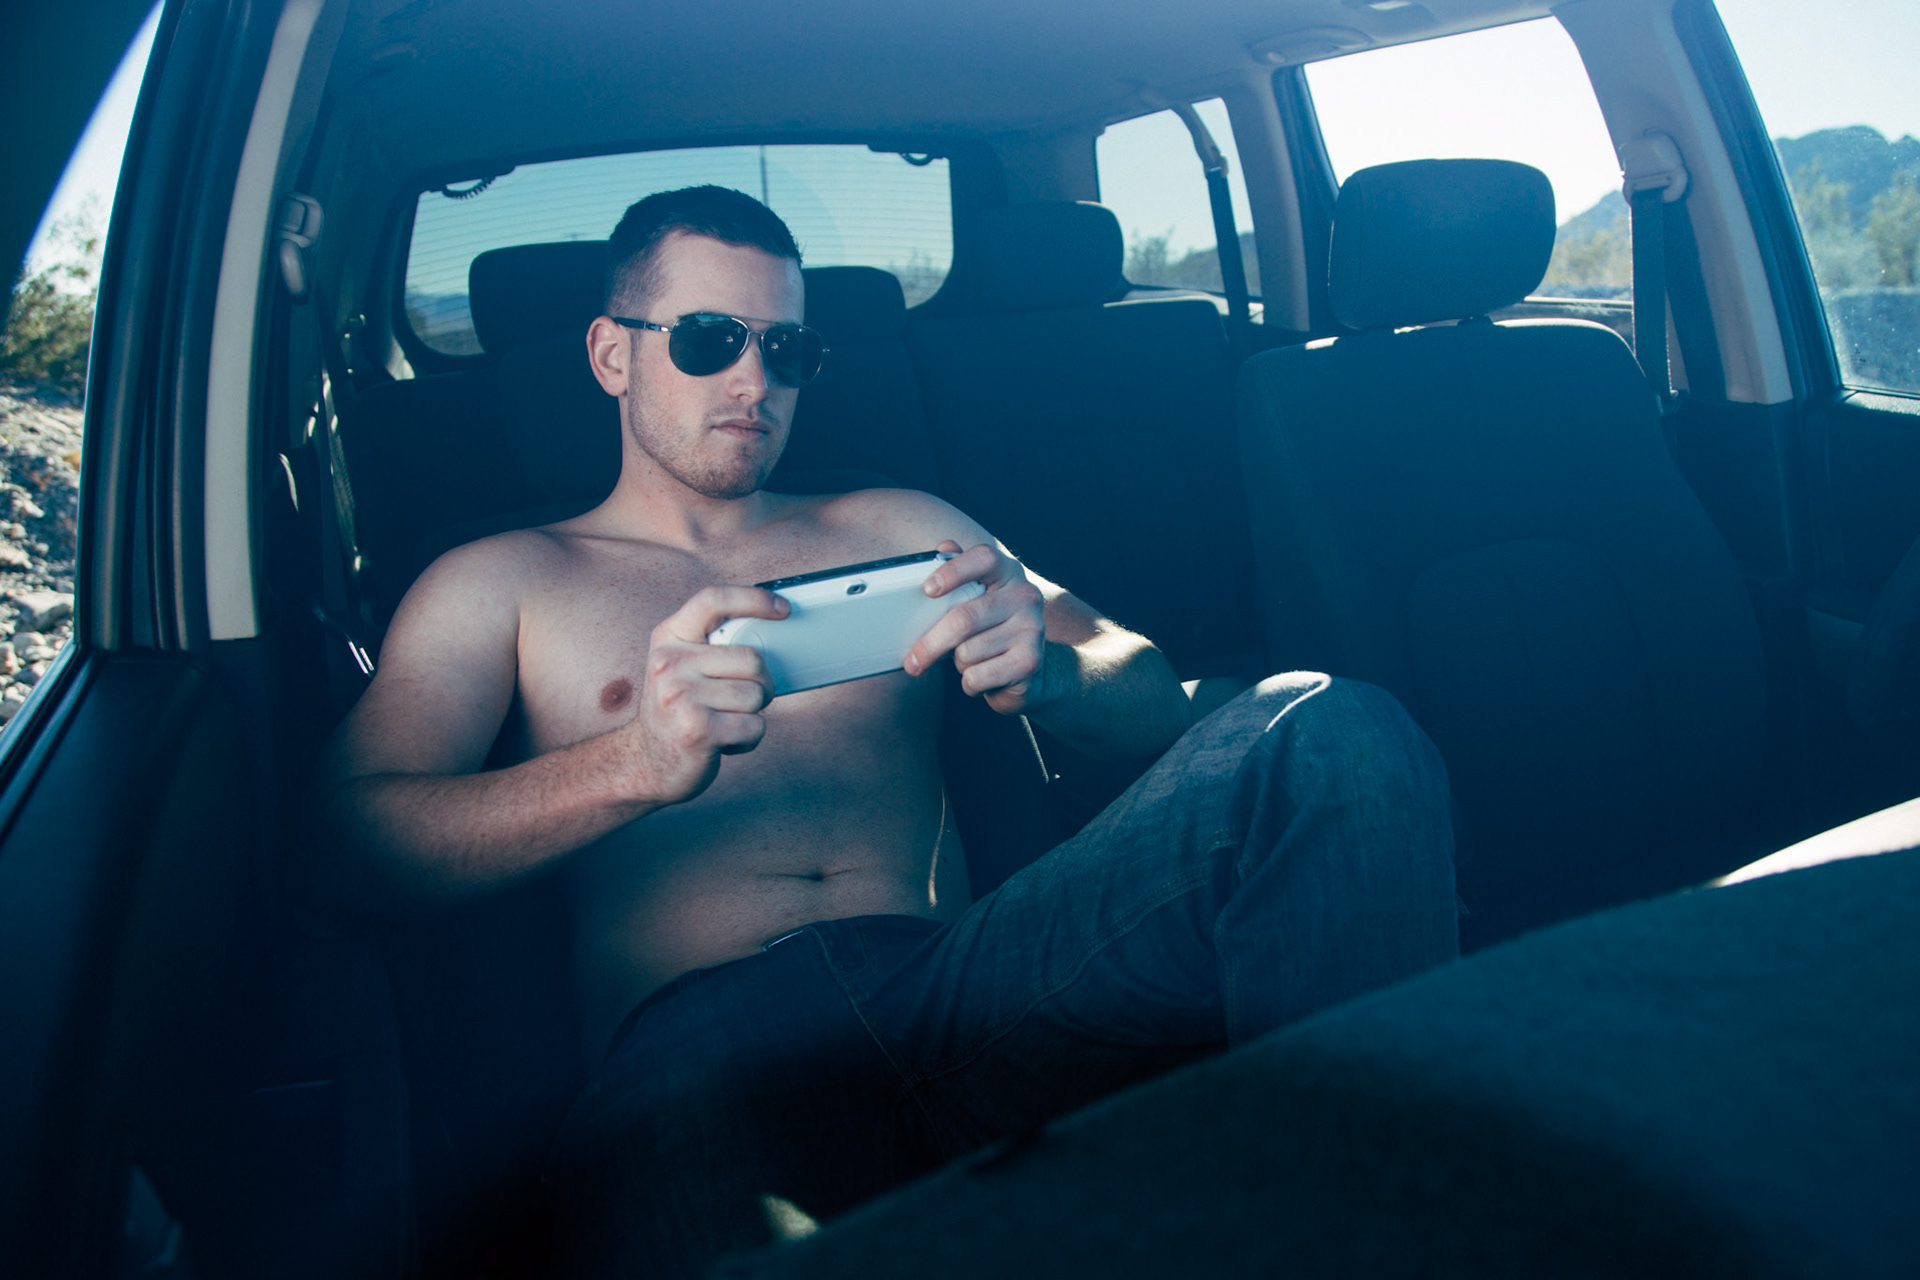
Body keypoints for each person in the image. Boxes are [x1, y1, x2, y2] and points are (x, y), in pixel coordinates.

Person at [310, 185, 1458, 1277]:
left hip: (969, 987)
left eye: (787, 349)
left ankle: (1378, 1225)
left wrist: (1056, 670)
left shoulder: (899, 524)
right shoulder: (502, 579)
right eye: (709, 339)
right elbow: (350, 847)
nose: (753, 378)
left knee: (1329, 728)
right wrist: (634, 761)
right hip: (703, 1050)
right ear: (613, 354)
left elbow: (1153, 687)